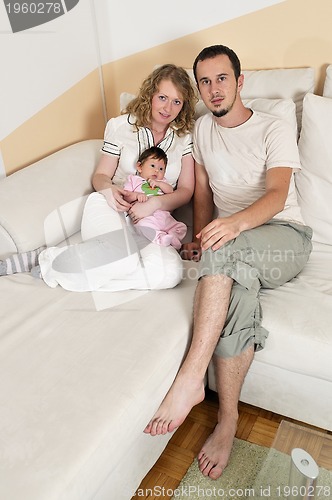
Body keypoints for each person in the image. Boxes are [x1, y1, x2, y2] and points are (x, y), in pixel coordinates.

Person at [144, 45, 313, 480]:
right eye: (205, 81)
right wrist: (201, 241)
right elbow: (202, 194)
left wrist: (231, 228)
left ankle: (190, 380)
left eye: (222, 78)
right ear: (199, 88)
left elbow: (277, 196)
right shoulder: (201, 129)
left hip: (285, 238)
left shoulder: (273, 127)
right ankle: (228, 420)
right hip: (234, 245)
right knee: (234, 295)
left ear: (240, 82)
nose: (214, 89)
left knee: (225, 248)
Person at [0, 64, 197, 291]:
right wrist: (109, 190)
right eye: (162, 97)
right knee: (125, 259)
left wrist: (155, 203)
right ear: (150, 95)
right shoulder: (120, 126)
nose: (167, 108)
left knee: (168, 274)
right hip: (111, 207)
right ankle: (51, 262)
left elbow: (185, 191)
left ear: (184, 106)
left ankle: (59, 260)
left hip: (153, 223)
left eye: (176, 101)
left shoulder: (184, 138)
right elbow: (101, 176)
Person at [123, 146, 187, 249]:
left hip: (164, 216)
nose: (157, 171)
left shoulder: (162, 182)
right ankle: (160, 238)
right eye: (153, 166)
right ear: (140, 167)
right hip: (147, 218)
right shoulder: (134, 180)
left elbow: (170, 191)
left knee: (180, 227)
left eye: (161, 169)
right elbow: (126, 196)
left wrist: (159, 184)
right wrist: (137, 195)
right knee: (142, 226)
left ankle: (173, 237)